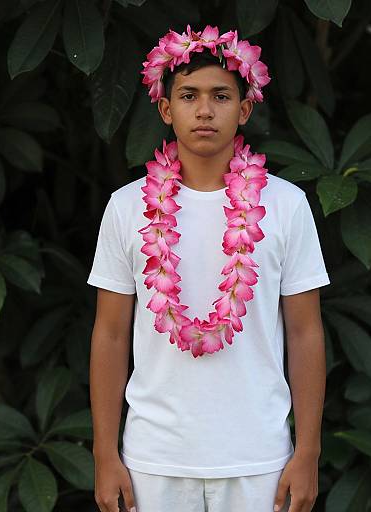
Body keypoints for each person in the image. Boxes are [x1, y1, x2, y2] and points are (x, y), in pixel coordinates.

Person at [87, 24, 330, 512]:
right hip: (152, 459)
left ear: (243, 108)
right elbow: (110, 333)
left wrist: (308, 451)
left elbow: (305, 333)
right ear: (164, 107)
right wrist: (103, 453)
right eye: (188, 95)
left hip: (260, 457)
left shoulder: (286, 205)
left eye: (220, 95)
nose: (204, 110)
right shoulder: (127, 207)